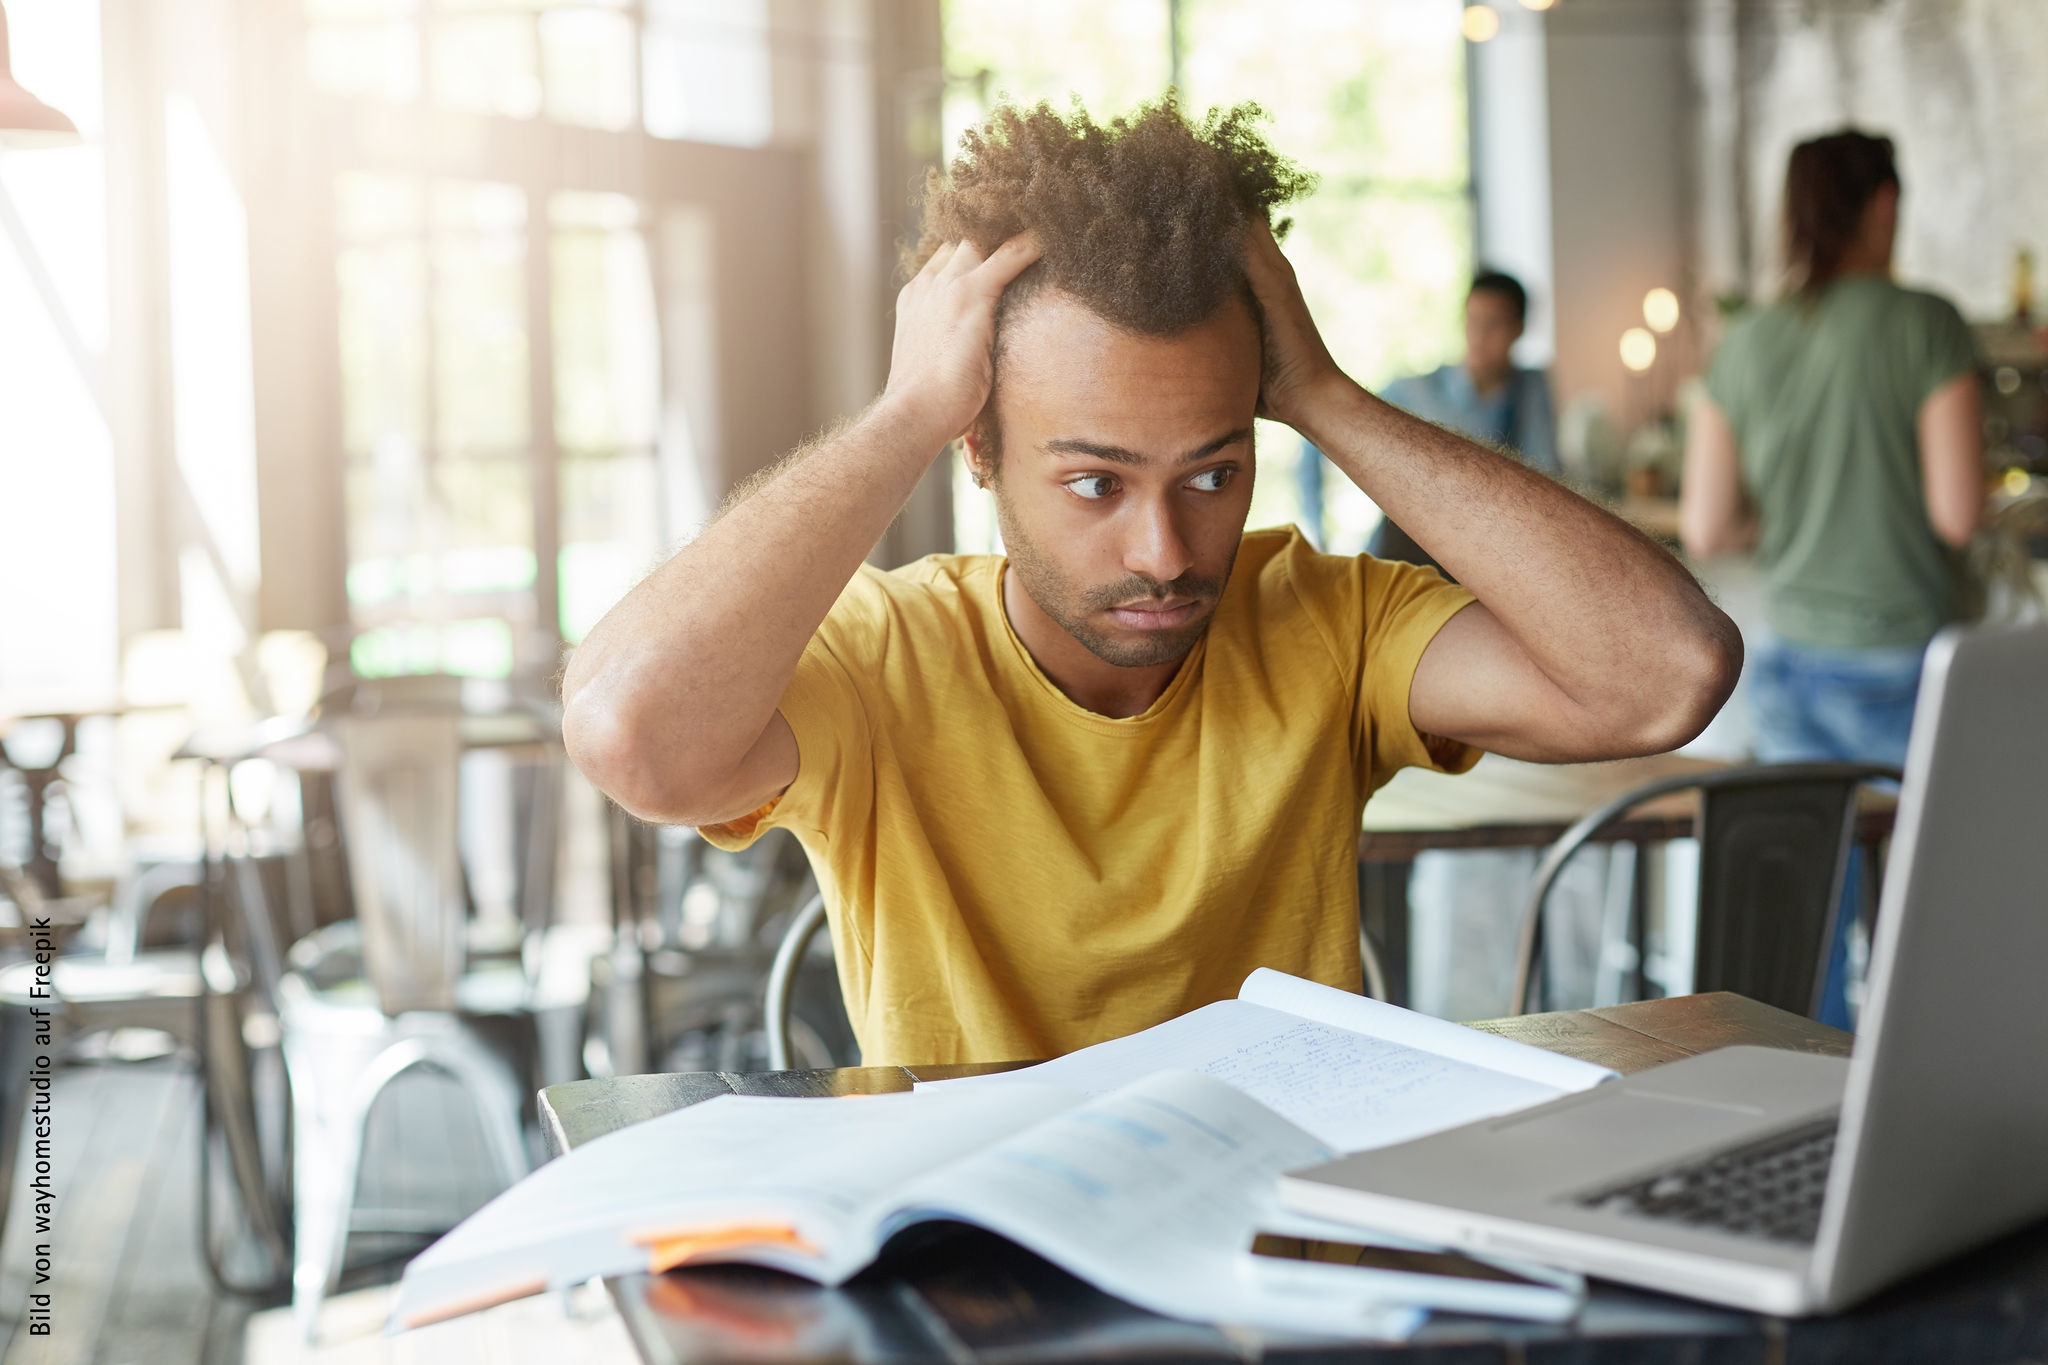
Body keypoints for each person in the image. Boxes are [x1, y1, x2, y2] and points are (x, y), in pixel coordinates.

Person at [563, 98, 1740, 1067]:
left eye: (1213, 473)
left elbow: (1664, 677)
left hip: (1279, 1267)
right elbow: (631, 734)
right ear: (980, 452)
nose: (1166, 553)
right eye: (1094, 486)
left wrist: (1326, 396)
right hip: (983, 1284)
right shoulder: (887, 655)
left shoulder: (1324, 622)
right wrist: (902, 414)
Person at [1680, 129, 1983, 769]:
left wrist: (1802, 510)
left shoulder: (1743, 340)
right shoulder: (1927, 323)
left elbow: (1706, 528)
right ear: (1884, 205)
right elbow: (1958, 513)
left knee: (1818, 867)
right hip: (1904, 663)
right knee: (1927, 868)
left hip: (1788, 661)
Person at [1364, 271, 1560, 570]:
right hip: (1407, 560)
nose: (1479, 337)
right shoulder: (1418, 390)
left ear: (1518, 329)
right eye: (1472, 321)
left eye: (1493, 324)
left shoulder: (1528, 388)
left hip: (1480, 563)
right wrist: (1317, 526)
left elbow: (1547, 475)